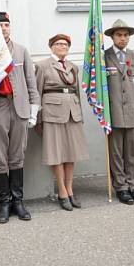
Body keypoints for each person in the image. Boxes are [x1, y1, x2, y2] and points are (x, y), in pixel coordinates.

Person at [0, 12, 40, 223]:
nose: (4, 28)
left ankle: (18, 202)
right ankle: (4, 202)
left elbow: (31, 82)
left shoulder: (22, 51)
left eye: (6, 24)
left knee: (17, 155)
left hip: (19, 107)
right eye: (0, 25)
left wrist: (34, 110)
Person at [35, 34, 89, 211]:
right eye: (58, 44)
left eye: (65, 44)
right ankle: (62, 191)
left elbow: (77, 93)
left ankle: (70, 188)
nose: (62, 46)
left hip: (72, 112)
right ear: (51, 47)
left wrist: (80, 113)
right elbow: (37, 92)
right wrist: (38, 118)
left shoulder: (73, 67)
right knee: (56, 153)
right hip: (52, 113)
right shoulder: (42, 66)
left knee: (71, 153)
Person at [103, 19, 134, 205]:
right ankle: (120, 186)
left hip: (131, 112)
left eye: (126, 35)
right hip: (112, 113)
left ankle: (132, 184)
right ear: (112, 37)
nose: (123, 38)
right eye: (119, 35)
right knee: (115, 153)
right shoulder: (104, 57)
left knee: (132, 151)